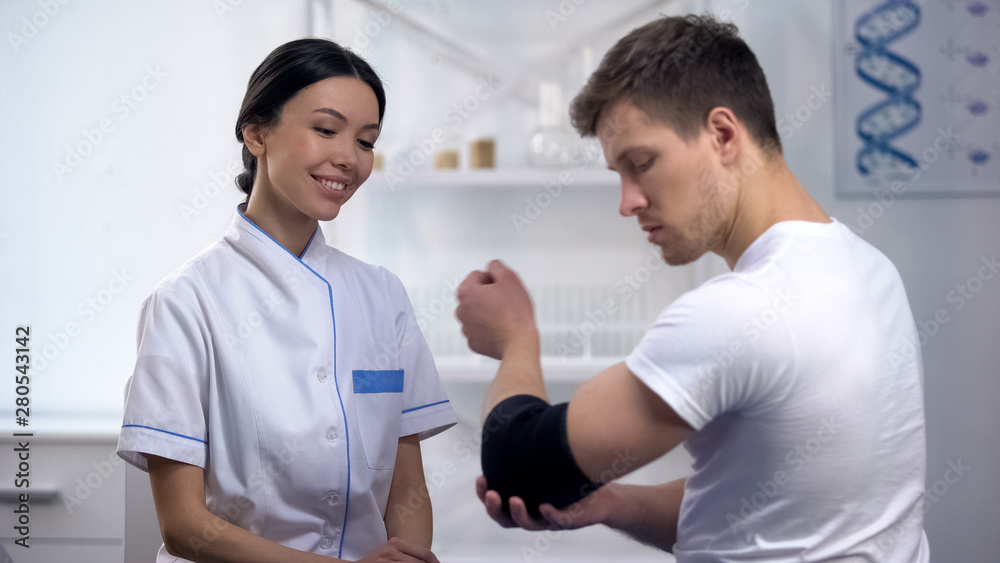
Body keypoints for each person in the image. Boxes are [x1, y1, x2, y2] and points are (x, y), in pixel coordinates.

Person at [456, 14, 929, 562]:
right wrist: (612, 503)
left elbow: (520, 468)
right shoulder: (870, 270)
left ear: (722, 135)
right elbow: (772, 511)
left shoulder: (738, 314)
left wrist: (515, 339)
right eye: (618, 174)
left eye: (642, 163)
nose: (627, 201)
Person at [117, 38, 455, 563]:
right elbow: (184, 526)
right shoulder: (186, 302)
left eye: (366, 142)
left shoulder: (382, 295)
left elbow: (405, 486)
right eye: (325, 129)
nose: (348, 158)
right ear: (257, 133)